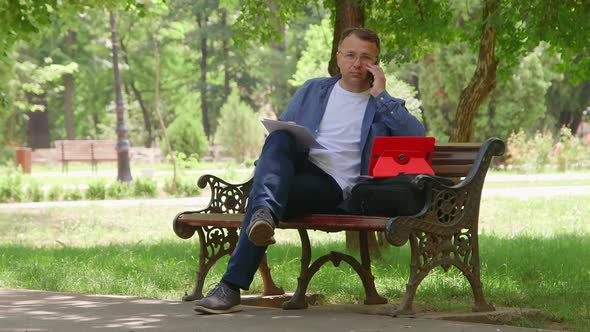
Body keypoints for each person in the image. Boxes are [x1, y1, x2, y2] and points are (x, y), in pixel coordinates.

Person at [192, 27, 425, 314]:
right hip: (297, 171)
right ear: (338, 57)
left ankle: (230, 286)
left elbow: (416, 135)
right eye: (350, 55)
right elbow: (282, 141)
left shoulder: (381, 105)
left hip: (333, 188)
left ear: (376, 65)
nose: (356, 63)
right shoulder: (314, 89)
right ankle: (261, 219)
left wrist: (382, 93)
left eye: (366, 58)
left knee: (260, 200)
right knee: (279, 136)